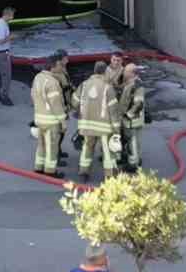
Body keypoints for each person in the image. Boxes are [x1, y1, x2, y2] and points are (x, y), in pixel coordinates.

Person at [75, 62, 119, 184]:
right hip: (104, 127)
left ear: (94, 71)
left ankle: (83, 172)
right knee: (107, 152)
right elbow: (113, 111)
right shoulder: (108, 88)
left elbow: (74, 101)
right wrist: (116, 130)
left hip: (86, 125)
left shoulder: (84, 85)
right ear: (105, 72)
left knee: (87, 148)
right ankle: (109, 176)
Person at [30, 50, 71, 178]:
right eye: (59, 65)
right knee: (52, 148)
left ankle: (38, 167)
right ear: (53, 66)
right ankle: (50, 171)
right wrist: (63, 121)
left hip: (39, 118)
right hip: (51, 121)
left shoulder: (38, 78)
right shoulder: (52, 82)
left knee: (41, 145)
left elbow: (33, 95)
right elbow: (56, 105)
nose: (61, 68)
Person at [117, 62, 146, 172]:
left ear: (131, 73)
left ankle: (133, 165)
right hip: (128, 120)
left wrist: (128, 115)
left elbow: (138, 104)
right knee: (131, 141)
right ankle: (134, 159)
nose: (123, 72)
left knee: (132, 141)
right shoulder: (130, 83)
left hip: (132, 121)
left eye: (125, 71)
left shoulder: (137, 85)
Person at [0, 7, 15, 106]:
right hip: (2, 54)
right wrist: (10, 37)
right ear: (7, 15)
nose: (13, 17)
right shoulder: (2, 25)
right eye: (12, 15)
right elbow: (1, 41)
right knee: (6, 76)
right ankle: (5, 97)